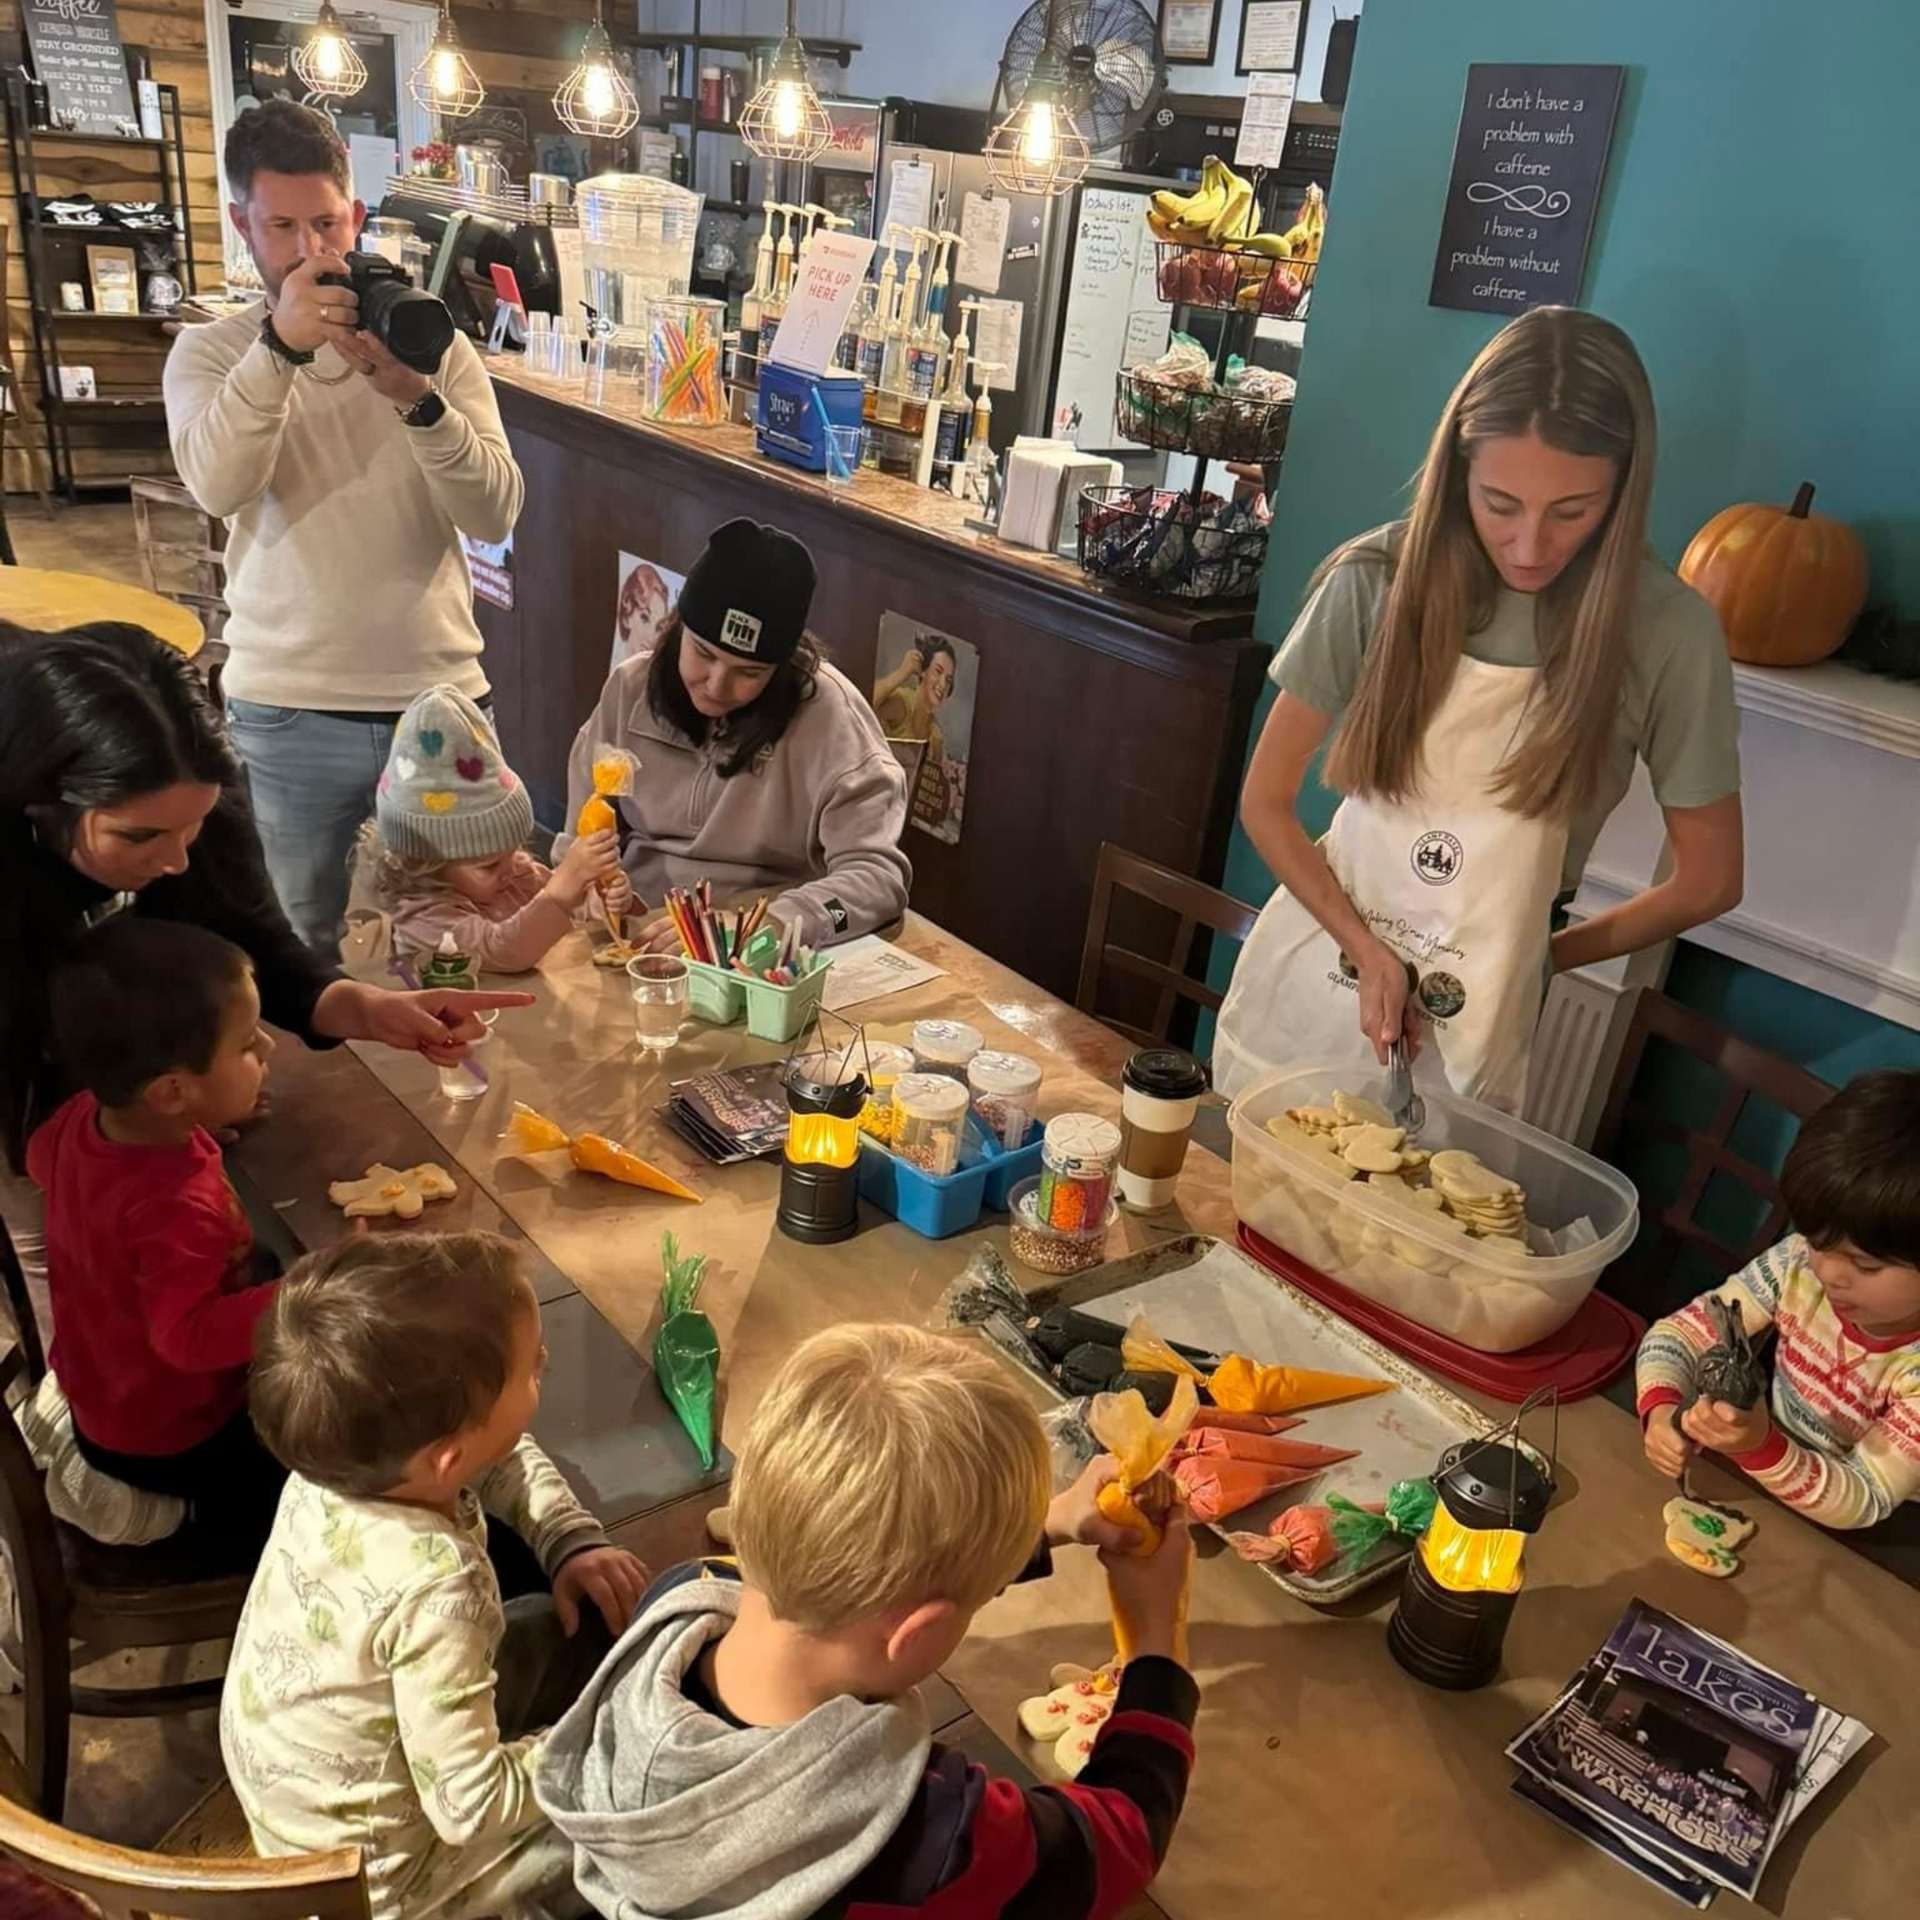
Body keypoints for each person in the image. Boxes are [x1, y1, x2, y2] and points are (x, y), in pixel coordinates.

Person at [1215, 307, 1744, 1111]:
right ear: (1458, 467)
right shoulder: (1377, 579)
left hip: (1474, 1028)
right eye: (1501, 503)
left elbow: (1709, 879)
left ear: (1625, 486)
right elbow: (1265, 803)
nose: (1531, 546)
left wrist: (1537, 957)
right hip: (1318, 969)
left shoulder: (1668, 634)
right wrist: (1365, 947)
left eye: (1572, 511)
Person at [536, 1323, 1198, 1919]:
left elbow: (860, 1570)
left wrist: (1045, 1525)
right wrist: (1155, 1648)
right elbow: (1114, 1845)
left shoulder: (679, 1598)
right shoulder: (925, 1831)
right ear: (917, 1633)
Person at [164, 98, 524, 954]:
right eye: (282, 225)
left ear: (356, 217)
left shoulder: (432, 346)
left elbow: (494, 512)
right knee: (304, 950)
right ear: (244, 224)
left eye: (326, 222)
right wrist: (279, 354)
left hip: (438, 698)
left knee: (464, 941)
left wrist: (415, 398)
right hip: (291, 707)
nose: (308, 251)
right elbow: (220, 486)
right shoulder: (211, 354)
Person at [224, 1230, 649, 1920]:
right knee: (634, 1813)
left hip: (300, 1820)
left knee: (546, 1621)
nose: (544, 1361)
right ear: (449, 1458)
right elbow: (469, 1803)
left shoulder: (335, 1464)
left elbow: (498, 1453)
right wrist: (603, 1744)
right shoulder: (437, 1586)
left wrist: (568, 1538)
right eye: (533, 1371)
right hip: (385, 1892)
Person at [0, 623, 524, 1178]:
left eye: (194, 826)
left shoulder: (184, 787)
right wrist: (125, 1130)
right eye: (141, 837)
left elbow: (247, 934)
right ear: (43, 807)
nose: (178, 861)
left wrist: (361, 1007)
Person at [29, 917, 286, 1545]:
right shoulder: (175, 1203)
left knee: (269, 1259)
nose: (270, 1050)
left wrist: (204, 1113)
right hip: (170, 1436)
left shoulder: (82, 1117)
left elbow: (42, 1159)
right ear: (171, 1090)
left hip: (105, 1391)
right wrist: (311, 1291)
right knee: (310, 1480)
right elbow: (186, 1339)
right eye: (248, 1045)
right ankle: (206, 1528)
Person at [556, 519, 911, 952]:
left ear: (783, 668)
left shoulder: (833, 721)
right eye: (703, 653)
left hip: (759, 949)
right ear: (678, 627)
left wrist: (768, 928)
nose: (716, 685)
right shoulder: (629, 689)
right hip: (634, 932)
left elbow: (878, 880)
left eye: (749, 673)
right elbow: (578, 838)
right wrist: (586, 884)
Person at [1639, 1069, 1920, 1530]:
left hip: (1876, 1529)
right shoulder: (1797, 1266)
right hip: (1765, 1471)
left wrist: (1758, 1446)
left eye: (1865, 1265)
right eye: (1816, 1241)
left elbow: (1864, 1498)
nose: (1828, 1272)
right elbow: (1680, 1333)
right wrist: (1662, 1406)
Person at [358, 685, 633, 973]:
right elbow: (502, 950)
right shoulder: (423, 917)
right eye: (489, 866)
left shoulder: (515, 873)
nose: (511, 869)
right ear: (427, 865)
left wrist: (604, 902)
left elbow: (575, 910)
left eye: (511, 852)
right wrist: (562, 890)